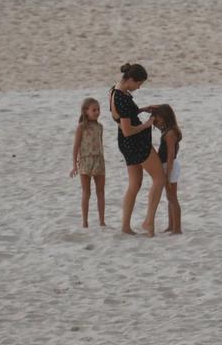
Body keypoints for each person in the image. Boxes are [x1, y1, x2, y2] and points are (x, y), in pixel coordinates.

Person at [108, 63, 166, 237]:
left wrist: (141, 109)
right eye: (138, 84)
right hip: (135, 143)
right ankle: (149, 221)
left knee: (135, 184)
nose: (139, 87)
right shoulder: (123, 98)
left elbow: (123, 117)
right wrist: (148, 124)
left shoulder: (115, 90)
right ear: (130, 80)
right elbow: (128, 130)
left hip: (125, 144)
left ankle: (125, 226)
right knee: (159, 178)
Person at [69, 98, 106, 228]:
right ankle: (85, 222)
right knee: (86, 192)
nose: (97, 112)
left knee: (100, 192)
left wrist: (101, 159)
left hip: (99, 161)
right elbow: (76, 147)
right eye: (94, 110)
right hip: (85, 161)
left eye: (98, 109)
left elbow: (100, 145)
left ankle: (102, 221)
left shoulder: (100, 127)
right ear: (86, 111)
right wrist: (75, 165)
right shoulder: (81, 127)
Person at [151, 104, 183, 234]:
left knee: (173, 198)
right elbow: (157, 110)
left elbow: (170, 155)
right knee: (170, 197)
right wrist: (146, 109)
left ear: (165, 117)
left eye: (158, 117)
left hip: (169, 166)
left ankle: (177, 228)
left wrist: (167, 175)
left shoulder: (170, 133)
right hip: (167, 165)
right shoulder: (167, 130)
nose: (156, 120)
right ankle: (171, 226)